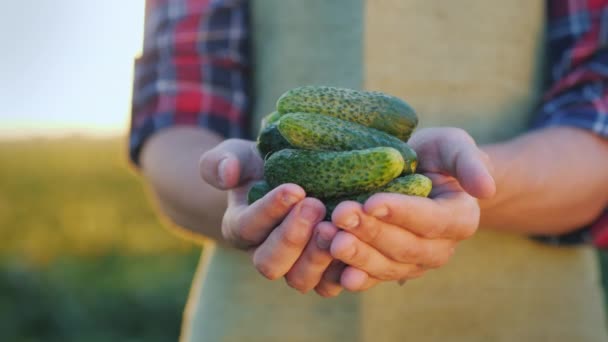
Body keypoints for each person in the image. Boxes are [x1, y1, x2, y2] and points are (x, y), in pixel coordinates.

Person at [129, 0, 608, 341]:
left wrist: (478, 179)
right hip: (263, 317)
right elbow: (176, 124)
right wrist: (249, 189)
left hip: (529, 317)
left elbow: (597, 127)